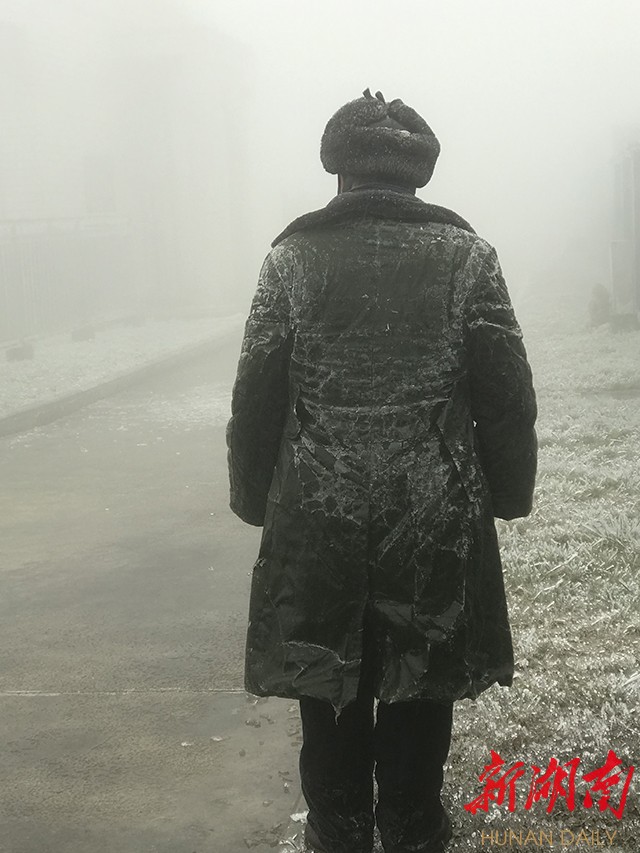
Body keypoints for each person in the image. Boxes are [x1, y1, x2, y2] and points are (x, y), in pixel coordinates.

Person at [227, 89, 537, 853]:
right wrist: (507, 492)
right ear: (416, 176)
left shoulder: (291, 260)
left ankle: (337, 829)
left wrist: (254, 497)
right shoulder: (468, 259)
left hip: (318, 519)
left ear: (339, 172)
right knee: (421, 681)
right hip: (432, 517)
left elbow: (257, 394)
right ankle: (411, 825)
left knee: (327, 678)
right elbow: (506, 393)